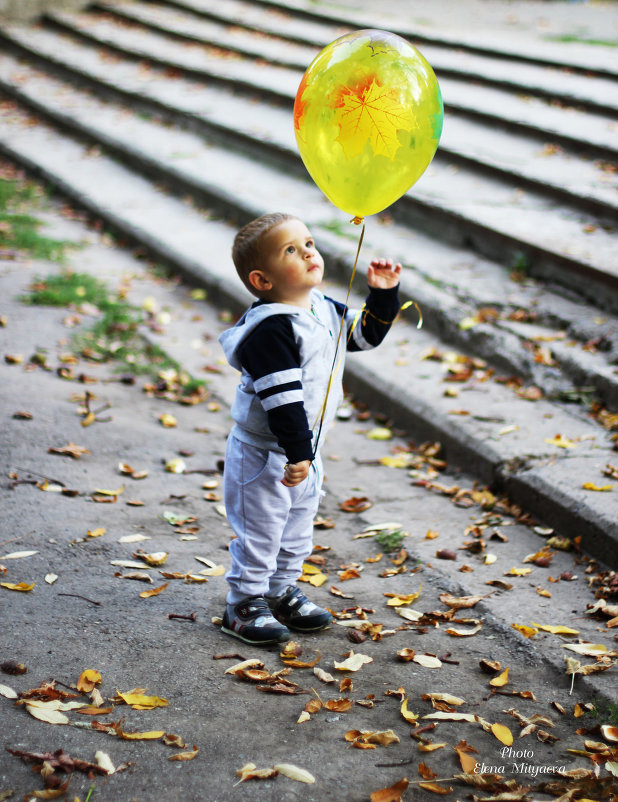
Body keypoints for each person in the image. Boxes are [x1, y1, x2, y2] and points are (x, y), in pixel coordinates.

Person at [218, 213, 401, 645]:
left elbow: (363, 337)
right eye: (291, 250)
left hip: (303, 450)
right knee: (261, 531)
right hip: (266, 452)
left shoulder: (321, 309)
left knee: (297, 528)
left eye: (309, 243)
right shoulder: (271, 329)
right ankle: (243, 602)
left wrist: (384, 296)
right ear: (263, 280)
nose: (308, 253)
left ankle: (280, 591)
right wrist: (297, 453)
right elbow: (283, 399)